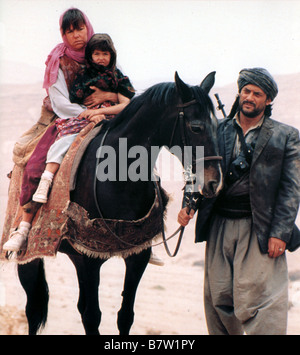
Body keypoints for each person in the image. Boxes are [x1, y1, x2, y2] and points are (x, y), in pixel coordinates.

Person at [178, 68, 300, 335]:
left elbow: (291, 190)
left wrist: (280, 233)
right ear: (239, 92)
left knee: (262, 301)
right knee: (219, 299)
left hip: (261, 228)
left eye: (257, 93)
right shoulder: (217, 129)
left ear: (268, 100)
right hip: (219, 224)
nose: (250, 97)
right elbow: (195, 167)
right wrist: (188, 201)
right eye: (246, 91)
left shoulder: (286, 136)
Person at [2, 8, 117, 252]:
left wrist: (108, 100)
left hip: (105, 115)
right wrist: (91, 113)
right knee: (33, 162)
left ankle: (141, 232)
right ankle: (24, 228)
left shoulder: (101, 52)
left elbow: (122, 88)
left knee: (136, 147)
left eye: (80, 28)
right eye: (70, 30)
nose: (76, 35)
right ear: (63, 34)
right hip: (65, 119)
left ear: (88, 27)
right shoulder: (58, 61)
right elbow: (61, 104)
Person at [31, 33, 135, 205]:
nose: (101, 58)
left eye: (105, 54)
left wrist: (106, 101)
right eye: (96, 54)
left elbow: (126, 104)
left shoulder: (119, 77)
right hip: (87, 115)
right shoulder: (83, 76)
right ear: (90, 56)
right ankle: (46, 179)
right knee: (66, 139)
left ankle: (150, 180)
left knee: (136, 141)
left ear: (112, 55)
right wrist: (92, 113)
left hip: (115, 115)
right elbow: (76, 100)